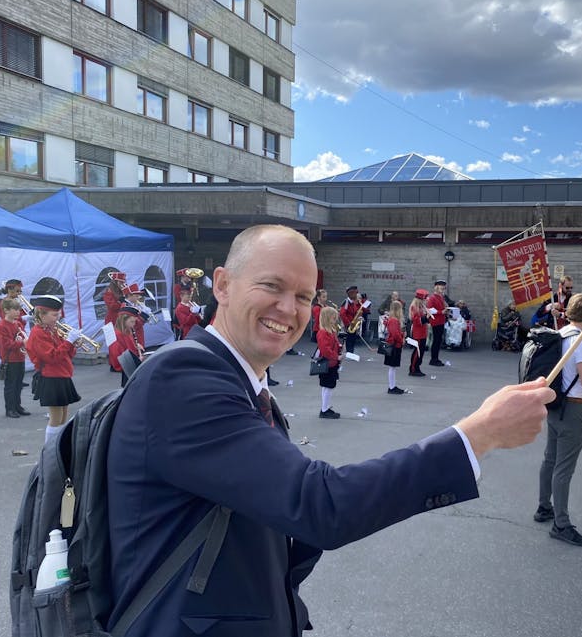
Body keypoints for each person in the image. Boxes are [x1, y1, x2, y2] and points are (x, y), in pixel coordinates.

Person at [106, 225, 555, 637]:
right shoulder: (184, 379)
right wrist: (479, 434)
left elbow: (277, 521)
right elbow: (317, 505)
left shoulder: (241, 383)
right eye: (271, 286)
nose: (289, 308)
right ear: (222, 285)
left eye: (304, 296)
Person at [533, 293, 582, 547]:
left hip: (555, 405)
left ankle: (544, 507)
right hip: (573, 408)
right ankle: (561, 523)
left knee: (550, 459)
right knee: (563, 468)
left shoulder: (561, 333)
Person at [26, 295, 82, 444]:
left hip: (61, 374)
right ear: (42, 314)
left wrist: (72, 343)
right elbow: (51, 357)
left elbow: (67, 354)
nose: (58, 318)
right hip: (50, 377)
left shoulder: (52, 330)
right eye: (55, 315)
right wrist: (68, 341)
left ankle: (59, 444)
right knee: (56, 417)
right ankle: (49, 448)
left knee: (63, 415)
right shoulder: (38, 333)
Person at [0, 298, 31, 418]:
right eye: (15, 309)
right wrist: (23, 343)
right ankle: (10, 409)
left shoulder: (17, 324)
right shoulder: (1, 326)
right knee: (10, 386)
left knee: (18, 385)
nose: (18, 312)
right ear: (6, 310)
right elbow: (6, 345)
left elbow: (19, 339)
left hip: (19, 358)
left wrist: (23, 343)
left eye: (19, 309)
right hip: (10, 360)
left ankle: (17, 406)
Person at [315, 306, 343, 418]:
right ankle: (324, 409)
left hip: (332, 363)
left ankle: (325, 407)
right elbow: (325, 350)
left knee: (328, 386)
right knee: (328, 386)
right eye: (333, 317)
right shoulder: (323, 332)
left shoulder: (331, 331)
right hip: (328, 363)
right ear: (327, 318)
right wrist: (337, 357)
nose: (335, 319)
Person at [111, 305, 145, 387]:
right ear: (123, 320)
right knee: (130, 386)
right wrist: (136, 359)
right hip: (128, 365)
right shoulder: (118, 334)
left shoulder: (128, 330)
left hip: (131, 364)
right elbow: (119, 353)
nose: (133, 325)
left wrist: (137, 345)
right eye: (132, 322)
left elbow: (131, 345)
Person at [384, 300, 405, 394]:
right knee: (392, 367)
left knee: (392, 367)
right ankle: (391, 387)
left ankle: (392, 385)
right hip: (394, 346)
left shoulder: (391, 319)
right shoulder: (394, 320)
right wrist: (402, 339)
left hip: (393, 345)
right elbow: (395, 334)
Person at [408, 289, 430, 376]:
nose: (425, 301)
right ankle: (413, 369)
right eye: (424, 299)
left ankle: (417, 367)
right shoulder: (415, 307)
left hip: (422, 332)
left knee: (421, 352)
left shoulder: (421, 307)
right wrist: (426, 317)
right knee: (417, 352)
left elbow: (424, 320)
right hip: (418, 333)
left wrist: (428, 317)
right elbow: (416, 321)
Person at [339, 285, 366, 354]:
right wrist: (348, 323)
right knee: (349, 339)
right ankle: (349, 352)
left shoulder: (352, 302)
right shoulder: (346, 302)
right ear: (351, 294)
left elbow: (355, 312)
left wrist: (359, 318)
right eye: (356, 293)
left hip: (353, 323)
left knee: (353, 338)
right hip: (349, 324)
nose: (357, 295)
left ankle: (351, 352)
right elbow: (342, 314)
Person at [427, 280, 448, 366]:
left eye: (443, 287)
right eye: (441, 287)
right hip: (435, 322)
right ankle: (433, 359)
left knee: (438, 341)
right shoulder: (432, 298)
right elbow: (430, 310)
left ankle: (436, 358)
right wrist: (441, 312)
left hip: (441, 321)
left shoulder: (441, 297)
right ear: (436, 287)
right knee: (436, 341)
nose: (443, 288)